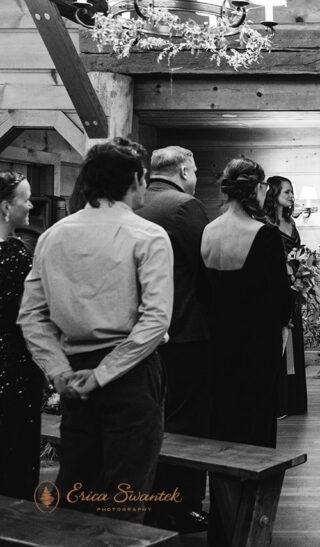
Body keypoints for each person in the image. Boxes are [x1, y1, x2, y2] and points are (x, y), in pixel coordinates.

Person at [19, 139, 172, 521]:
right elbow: (155, 320)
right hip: (131, 375)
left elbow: (32, 317)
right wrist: (102, 375)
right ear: (136, 179)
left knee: (77, 488)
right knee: (126, 491)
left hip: (73, 373)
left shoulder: (53, 235)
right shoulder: (148, 236)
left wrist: (59, 372)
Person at [201, 157, 292, 545]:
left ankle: (221, 528)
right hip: (257, 349)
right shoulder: (265, 235)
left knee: (222, 435)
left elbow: (204, 294)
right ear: (255, 190)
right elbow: (280, 300)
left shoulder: (206, 231)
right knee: (256, 439)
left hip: (217, 348)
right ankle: (252, 527)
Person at [133, 145, 211, 533]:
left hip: (140, 332)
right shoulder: (185, 207)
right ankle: (182, 505)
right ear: (182, 171)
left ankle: (147, 500)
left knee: (150, 418)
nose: (195, 178)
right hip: (184, 330)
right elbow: (206, 265)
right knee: (188, 423)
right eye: (194, 171)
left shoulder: (133, 202)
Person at [0, 172, 39, 500]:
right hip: (12, 363)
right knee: (15, 449)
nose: (30, 205)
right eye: (25, 199)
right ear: (5, 208)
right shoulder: (13, 253)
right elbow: (30, 313)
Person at [264, 175, 308, 418]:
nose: (292, 196)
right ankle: (278, 401)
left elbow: (299, 253)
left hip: (294, 289)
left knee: (295, 339)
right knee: (279, 342)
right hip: (276, 290)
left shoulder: (291, 223)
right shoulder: (265, 223)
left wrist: (303, 274)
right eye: (287, 192)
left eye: (292, 192)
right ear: (274, 195)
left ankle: (294, 401)